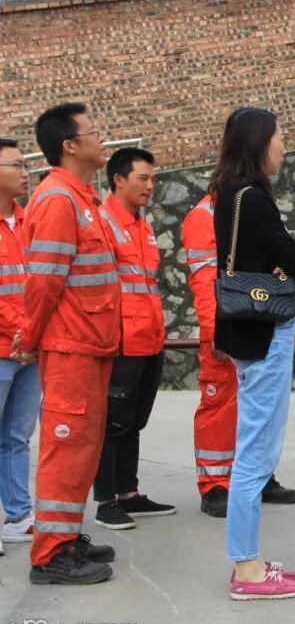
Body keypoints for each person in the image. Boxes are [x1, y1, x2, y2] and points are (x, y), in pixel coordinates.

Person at [17, 103, 121, 584]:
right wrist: (30, 336)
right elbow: (43, 282)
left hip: (90, 346)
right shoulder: (58, 200)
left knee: (81, 448)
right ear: (70, 146)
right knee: (65, 447)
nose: (103, 140)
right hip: (71, 347)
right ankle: (50, 555)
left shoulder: (82, 199)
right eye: (94, 132)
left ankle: (66, 535)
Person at [211, 107, 295, 601]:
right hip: (265, 334)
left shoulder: (228, 196)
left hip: (245, 333)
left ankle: (248, 560)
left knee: (254, 447)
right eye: (279, 137)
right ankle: (246, 569)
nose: (284, 147)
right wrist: (287, 262)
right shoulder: (253, 200)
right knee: (255, 453)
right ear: (258, 143)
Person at [183, 194, 295, 518]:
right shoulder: (205, 216)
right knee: (220, 404)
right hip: (230, 324)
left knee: (260, 405)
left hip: (255, 321)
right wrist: (215, 330)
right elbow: (205, 279)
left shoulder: (248, 206)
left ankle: (257, 474)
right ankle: (215, 485)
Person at [90, 148, 174, 530]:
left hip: (149, 338)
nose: (150, 186)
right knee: (113, 421)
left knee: (135, 419)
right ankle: (106, 500)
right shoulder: (103, 223)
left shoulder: (142, 224)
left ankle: (128, 493)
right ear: (119, 180)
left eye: (153, 179)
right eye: (143, 178)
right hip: (121, 340)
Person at [0, 138, 39, 556]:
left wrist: (32, 334)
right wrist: (19, 333)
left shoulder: (30, 222)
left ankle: (18, 516)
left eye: (25, 165)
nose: (25, 173)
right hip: (6, 348)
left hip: (29, 349)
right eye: (16, 165)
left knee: (17, 435)